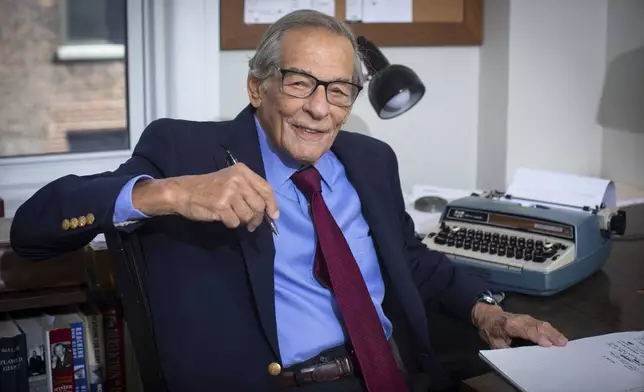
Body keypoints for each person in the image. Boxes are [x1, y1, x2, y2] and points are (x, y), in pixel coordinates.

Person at [10, 10, 567, 392]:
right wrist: (172, 192)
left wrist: (488, 314)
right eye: (300, 83)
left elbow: (412, 260)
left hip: (393, 373)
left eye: (339, 90)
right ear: (258, 88)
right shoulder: (182, 148)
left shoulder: (371, 161)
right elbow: (33, 229)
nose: (320, 108)